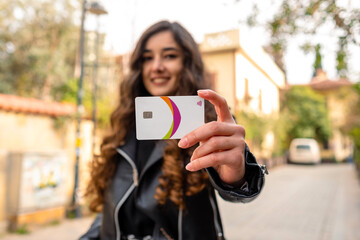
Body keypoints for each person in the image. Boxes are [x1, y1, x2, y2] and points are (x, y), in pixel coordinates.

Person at [80, 20, 267, 240]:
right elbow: (111, 213)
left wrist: (236, 177)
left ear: (187, 63)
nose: (156, 66)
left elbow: (238, 191)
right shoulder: (123, 124)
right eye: (147, 58)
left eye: (169, 55)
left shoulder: (209, 124)